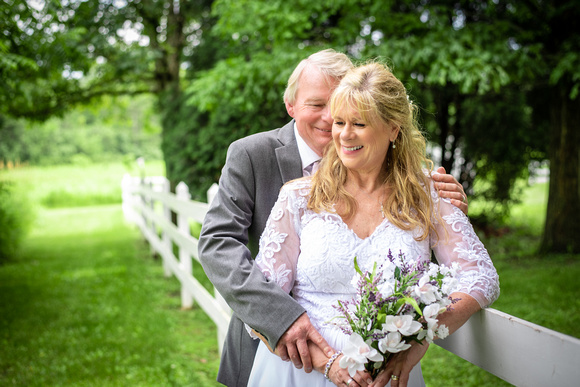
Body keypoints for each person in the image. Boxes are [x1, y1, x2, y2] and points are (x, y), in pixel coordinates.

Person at [198, 49, 469, 387]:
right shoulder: (252, 155)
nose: (331, 119)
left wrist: (448, 212)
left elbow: (411, 258)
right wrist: (281, 319)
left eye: (341, 108)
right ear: (291, 105)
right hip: (278, 348)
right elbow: (217, 244)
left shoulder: (400, 172)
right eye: (316, 104)